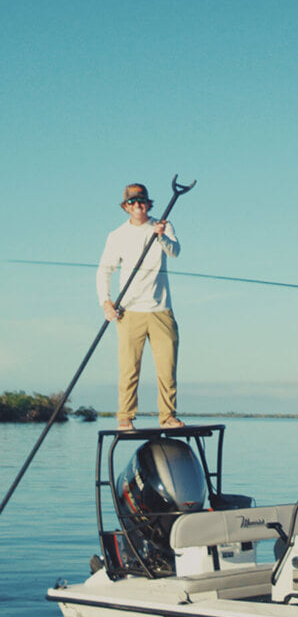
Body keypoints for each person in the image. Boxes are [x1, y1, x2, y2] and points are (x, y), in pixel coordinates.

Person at [96, 183, 184, 431]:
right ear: (126, 207)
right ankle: (125, 416)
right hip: (129, 311)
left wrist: (161, 237)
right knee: (129, 368)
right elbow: (104, 271)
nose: (138, 205)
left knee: (167, 368)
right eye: (132, 202)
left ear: (149, 203)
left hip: (161, 310)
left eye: (142, 201)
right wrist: (106, 301)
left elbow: (175, 252)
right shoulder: (116, 236)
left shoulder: (164, 225)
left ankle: (168, 417)